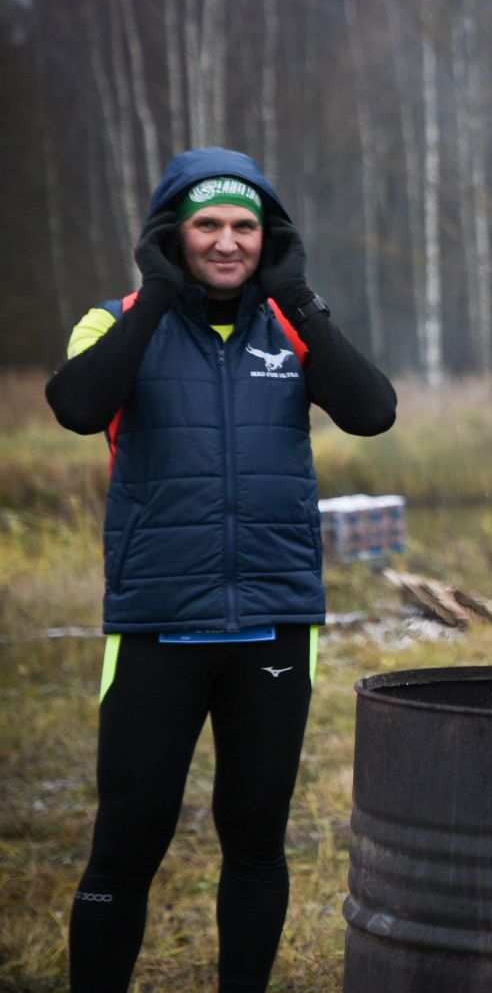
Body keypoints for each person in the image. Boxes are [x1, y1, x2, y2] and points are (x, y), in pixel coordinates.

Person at [44, 147, 396, 992]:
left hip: (273, 623)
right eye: (208, 225)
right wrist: (159, 294)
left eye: (246, 226)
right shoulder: (114, 317)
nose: (228, 242)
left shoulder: (292, 325)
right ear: (174, 234)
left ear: (269, 238)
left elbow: (373, 411)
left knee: (255, 841)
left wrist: (301, 299)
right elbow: (79, 405)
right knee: (127, 840)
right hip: (156, 622)